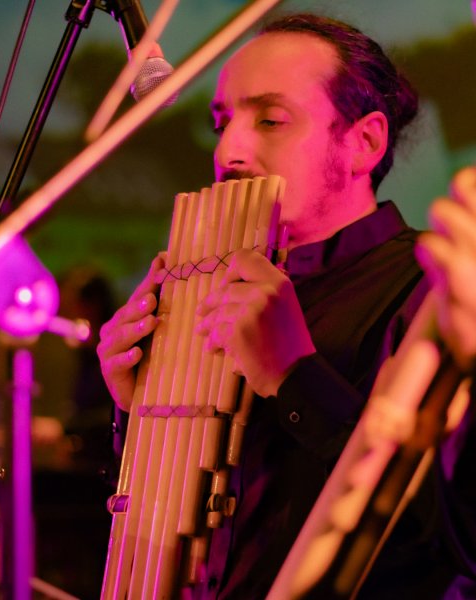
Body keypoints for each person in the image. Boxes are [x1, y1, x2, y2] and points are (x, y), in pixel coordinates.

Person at [96, 13, 476, 599]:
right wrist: (139, 413)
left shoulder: (437, 292)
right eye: (221, 123)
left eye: (270, 120)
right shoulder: (201, 289)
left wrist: (294, 376)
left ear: (364, 142)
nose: (228, 151)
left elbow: (456, 539)